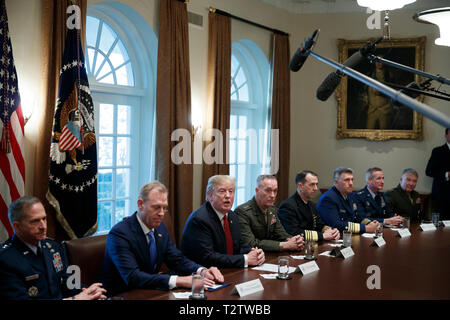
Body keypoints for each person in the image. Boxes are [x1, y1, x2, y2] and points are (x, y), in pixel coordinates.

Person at [101, 181, 223, 296]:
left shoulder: (160, 228)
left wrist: (201, 271)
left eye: (164, 208)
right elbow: (133, 277)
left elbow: (177, 259)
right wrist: (179, 280)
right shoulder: (120, 233)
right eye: (156, 207)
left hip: (151, 291)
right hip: (123, 294)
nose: (161, 213)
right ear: (140, 204)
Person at [0, 196, 107, 300]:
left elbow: (66, 281)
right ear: (17, 226)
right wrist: (75, 299)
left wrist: (88, 292)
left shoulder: (52, 247)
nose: (43, 226)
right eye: (35, 221)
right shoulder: (5, 259)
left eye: (44, 219)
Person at [181, 175, 265, 268]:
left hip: (227, 271)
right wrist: (245, 259)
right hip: (200, 275)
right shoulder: (200, 219)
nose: (228, 196)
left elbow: (240, 244)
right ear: (210, 195)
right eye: (222, 191)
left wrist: (254, 253)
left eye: (231, 191)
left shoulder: (232, 216)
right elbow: (208, 257)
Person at [234, 175, 304, 251]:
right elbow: (251, 243)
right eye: (268, 190)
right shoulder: (242, 212)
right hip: (252, 258)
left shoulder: (272, 210)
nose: (272, 195)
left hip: (270, 256)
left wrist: (295, 241)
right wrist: (284, 245)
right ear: (257, 191)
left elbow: (281, 234)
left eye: (275, 191)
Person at [278, 170, 340, 242]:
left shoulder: (311, 205)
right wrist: (322, 236)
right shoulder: (288, 205)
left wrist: (332, 231)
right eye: (312, 184)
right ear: (300, 186)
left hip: (311, 245)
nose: (316, 188)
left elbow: (319, 224)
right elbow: (293, 232)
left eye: (316, 184)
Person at [316, 167, 379, 234]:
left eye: (352, 180)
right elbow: (336, 225)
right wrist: (366, 228)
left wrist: (370, 223)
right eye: (347, 180)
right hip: (334, 238)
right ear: (336, 182)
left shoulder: (349, 195)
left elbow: (356, 217)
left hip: (348, 235)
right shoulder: (328, 198)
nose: (351, 183)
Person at [426, 128, 450, 219]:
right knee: (440, 224)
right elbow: (429, 171)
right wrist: (446, 174)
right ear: (446, 135)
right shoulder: (438, 151)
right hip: (441, 195)